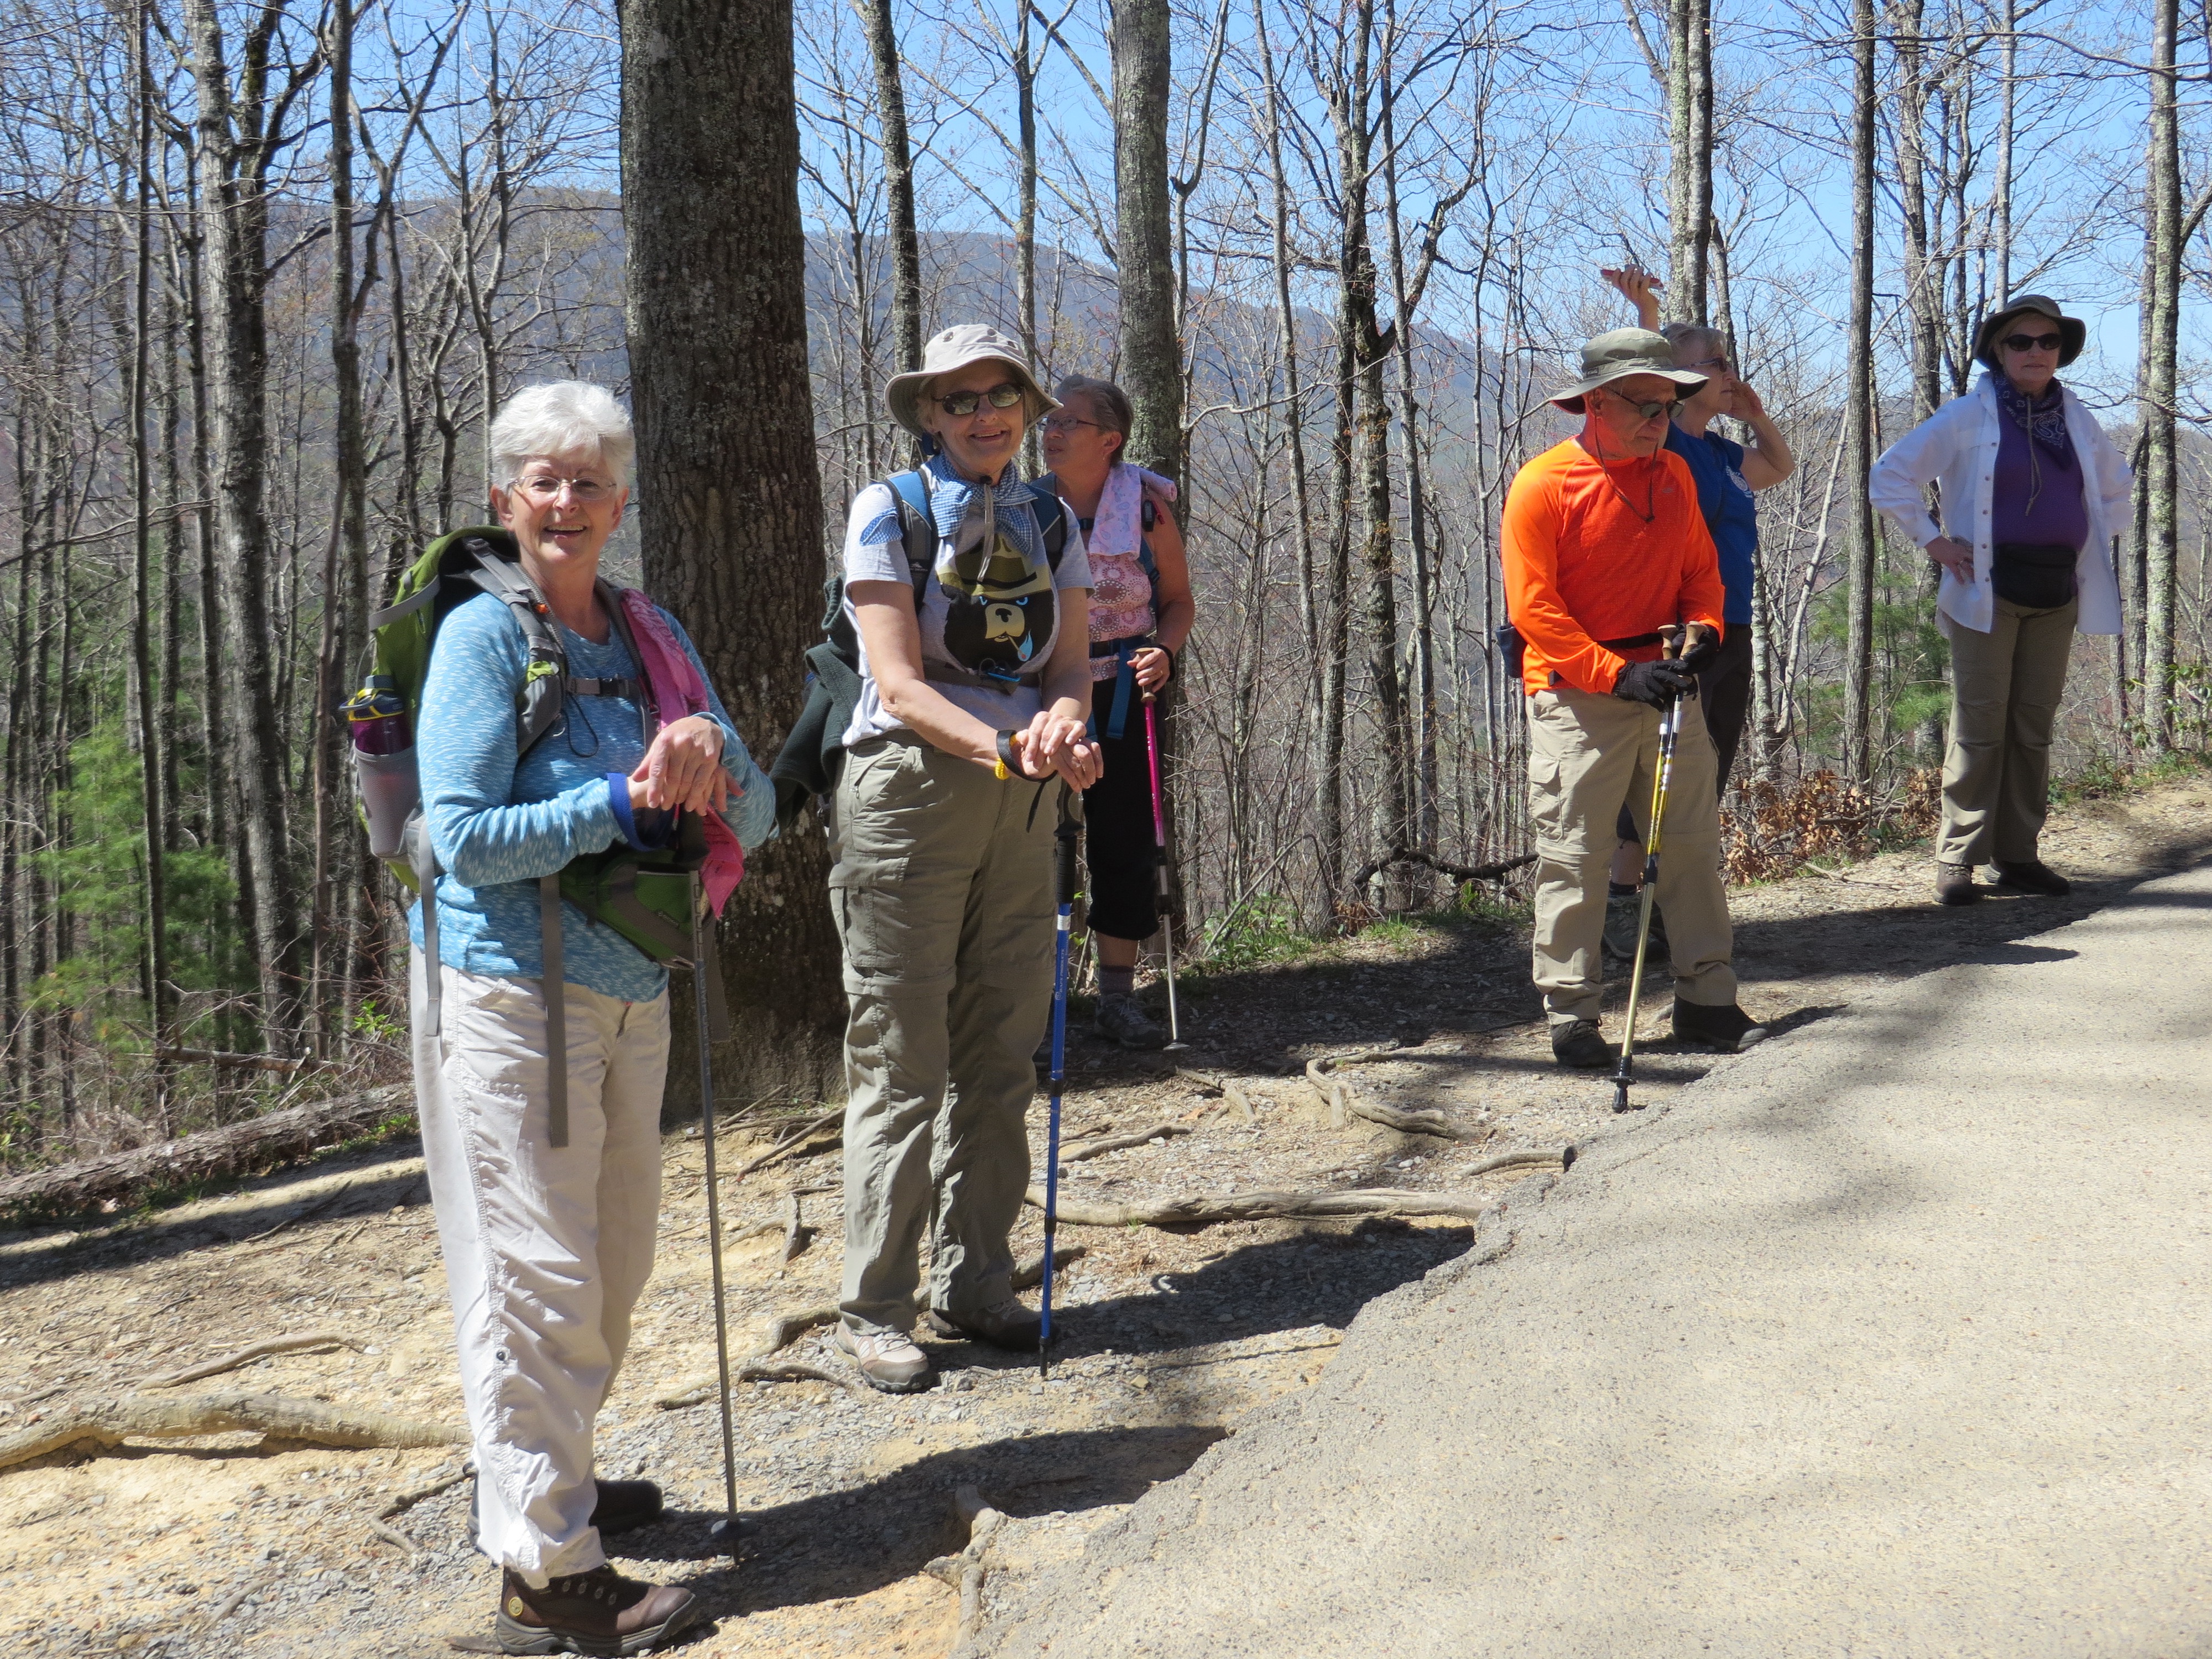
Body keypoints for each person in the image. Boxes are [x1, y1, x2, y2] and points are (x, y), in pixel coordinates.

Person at [409, 381, 775, 1653]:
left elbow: (763, 807)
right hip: (520, 988)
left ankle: (545, 1486)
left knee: (612, 1268)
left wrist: (712, 764)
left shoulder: (651, 633)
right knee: (539, 1277)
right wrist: (616, 802)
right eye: (542, 481)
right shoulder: (481, 638)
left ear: (621, 500)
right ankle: (548, 1580)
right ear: (504, 501)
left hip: (632, 986)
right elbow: (457, 837)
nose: (566, 502)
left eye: (589, 480)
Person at [831, 325, 1100, 1392]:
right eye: (959, 400)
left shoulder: (1049, 516)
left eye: (1003, 395)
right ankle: (873, 1309)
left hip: (1022, 800)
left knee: (1000, 1048)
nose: (984, 414)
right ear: (929, 415)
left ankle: (977, 1279)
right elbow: (895, 682)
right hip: (909, 792)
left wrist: (1063, 729)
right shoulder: (886, 510)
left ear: (1028, 409)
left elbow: (1072, 662)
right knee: (904, 1057)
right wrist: (1002, 743)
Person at [1503, 329, 1767, 1067]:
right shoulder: (1543, 485)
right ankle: (1573, 1015)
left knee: (1690, 848)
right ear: (1593, 402)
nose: (1659, 416)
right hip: (1575, 696)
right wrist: (1614, 675)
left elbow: (1700, 576)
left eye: (1667, 402)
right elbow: (1535, 611)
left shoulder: (1675, 478)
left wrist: (1707, 629)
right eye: (1643, 402)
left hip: (1667, 686)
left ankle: (1707, 1003)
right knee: (1576, 856)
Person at [1870, 294, 2128, 904]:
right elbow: (1889, 474)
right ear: (1998, 351)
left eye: (2047, 342)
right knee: (1980, 727)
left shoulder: (2077, 416)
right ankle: (1958, 856)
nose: (2035, 352)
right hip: (1986, 590)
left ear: (2059, 352)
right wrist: (1934, 543)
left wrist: (2084, 536)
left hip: (2056, 589)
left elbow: (2117, 488)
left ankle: (2017, 856)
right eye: (2021, 342)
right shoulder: (1968, 416)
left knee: (2032, 728)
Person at [1597, 268, 1795, 962]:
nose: (1729, 372)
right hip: (1679, 628)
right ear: (1678, 378)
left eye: (1728, 361)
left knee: (1704, 775)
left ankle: (1670, 906)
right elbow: (1644, 375)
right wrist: (1649, 312)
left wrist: (1755, 412)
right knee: (1658, 769)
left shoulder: (1719, 451)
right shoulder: (1668, 441)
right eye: (1715, 363)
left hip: (1732, 626)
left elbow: (1781, 465)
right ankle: (1624, 910)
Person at [1039, 375, 1197, 1048]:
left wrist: (1163, 651)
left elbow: (1180, 600)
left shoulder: (1147, 510)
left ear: (1110, 440)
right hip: (1042, 696)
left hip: (1127, 692)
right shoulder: (1020, 507)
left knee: (1124, 840)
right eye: (1049, 419)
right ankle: (1029, 1001)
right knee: (1031, 843)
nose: (1051, 430)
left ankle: (1116, 999)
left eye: (1069, 422)